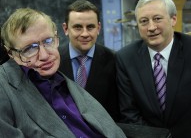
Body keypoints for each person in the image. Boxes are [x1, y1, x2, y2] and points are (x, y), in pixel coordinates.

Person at [0, 8, 126, 138]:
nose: (44, 55)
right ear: (11, 53)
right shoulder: (5, 85)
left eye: (48, 41)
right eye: (29, 49)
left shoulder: (62, 80)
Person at [116, 0, 191, 138]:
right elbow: (129, 112)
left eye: (157, 19)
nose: (151, 27)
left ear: (173, 19)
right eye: (144, 21)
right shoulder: (125, 58)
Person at [59, 0, 119, 121]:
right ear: (65, 29)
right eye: (78, 27)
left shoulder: (114, 60)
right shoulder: (53, 60)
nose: (85, 34)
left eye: (90, 27)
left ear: (98, 28)